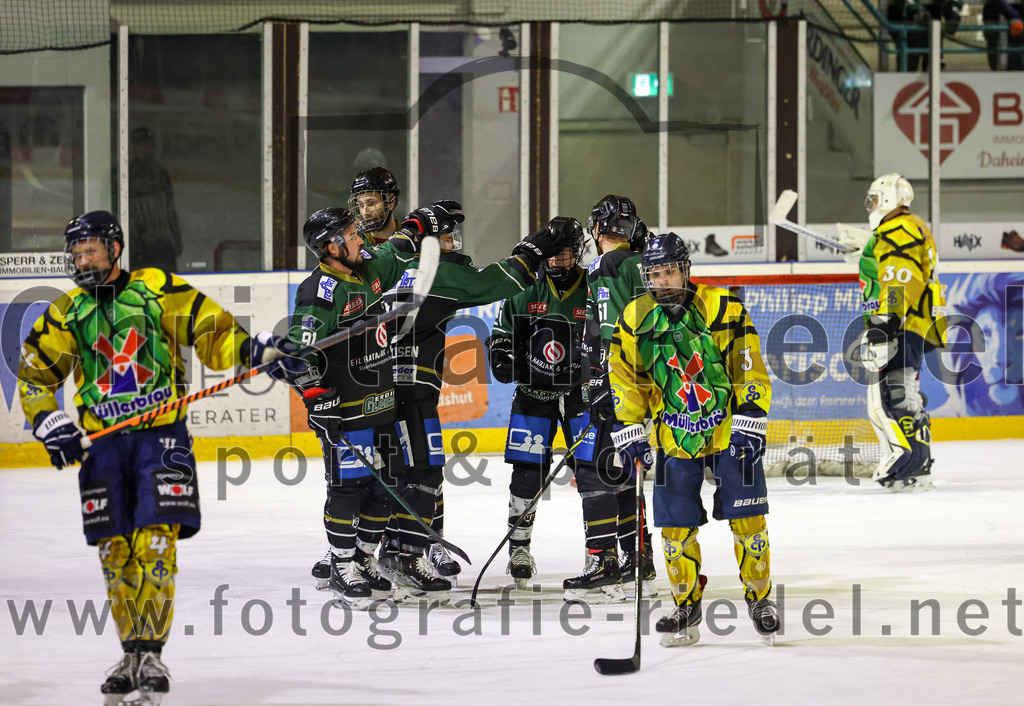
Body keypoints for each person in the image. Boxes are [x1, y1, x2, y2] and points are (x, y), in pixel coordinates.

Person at [16, 211, 303, 705]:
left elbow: (213, 331)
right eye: (76, 252)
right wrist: (48, 421)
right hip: (104, 447)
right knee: (114, 553)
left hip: (161, 441)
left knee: (154, 544)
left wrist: (255, 351)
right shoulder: (66, 312)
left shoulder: (156, 289)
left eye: (91, 250)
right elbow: (35, 374)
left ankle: (151, 652)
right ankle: (130, 652)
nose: (82, 260)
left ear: (115, 249)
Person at [608, 232, 779, 646]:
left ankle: (760, 600)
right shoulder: (635, 317)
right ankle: (686, 605)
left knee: (749, 522)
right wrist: (629, 427)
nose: (661, 281)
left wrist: (752, 414)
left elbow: (746, 361)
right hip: (674, 434)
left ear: (685, 270)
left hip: (728, 429)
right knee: (674, 529)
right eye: (654, 275)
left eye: (668, 272)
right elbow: (626, 376)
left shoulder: (721, 306)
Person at [289, 201, 460, 606]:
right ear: (331, 247)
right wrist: (315, 398)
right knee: (348, 490)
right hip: (348, 413)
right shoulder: (320, 292)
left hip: (381, 405)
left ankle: (365, 559)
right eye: (351, 236)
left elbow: (393, 250)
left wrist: (416, 226)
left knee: (390, 485)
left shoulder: (367, 269)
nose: (360, 240)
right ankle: (341, 564)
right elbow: (298, 354)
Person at [384, 219, 569, 588]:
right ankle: (399, 553)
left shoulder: (393, 268)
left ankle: (390, 550)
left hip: (385, 389)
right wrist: (529, 253)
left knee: (405, 471)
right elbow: (495, 283)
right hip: (407, 391)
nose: (455, 245)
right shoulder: (438, 273)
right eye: (446, 237)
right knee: (421, 470)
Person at [486, 217, 589, 590]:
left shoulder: (593, 288)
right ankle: (519, 548)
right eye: (552, 254)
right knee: (527, 474)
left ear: (578, 253)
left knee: (593, 473)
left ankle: (601, 552)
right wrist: (501, 354)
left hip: (581, 396)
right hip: (534, 394)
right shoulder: (525, 286)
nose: (558, 261)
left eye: (565, 254)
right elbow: (503, 332)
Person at [565, 195, 657, 604]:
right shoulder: (645, 264)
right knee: (622, 474)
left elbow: (612, 328)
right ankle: (639, 561)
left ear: (599, 228)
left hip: (615, 385)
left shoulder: (606, 266)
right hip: (641, 386)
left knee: (594, 470)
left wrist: (606, 379)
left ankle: (602, 562)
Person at [841, 174, 947, 491]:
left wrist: (886, 322)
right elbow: (894, 267)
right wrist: (869, 250)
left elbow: (901, 278)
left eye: (875, 199)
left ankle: (909, 466)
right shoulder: (909, 226)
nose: (872, 206)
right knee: (905, 392)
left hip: (903, 321)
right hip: (917, 321)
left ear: (888, 199)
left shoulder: (897, 229)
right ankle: (919, 465)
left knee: (894, 394)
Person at [128, 127, 183, 272]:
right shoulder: (127, 174)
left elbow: (170, 207)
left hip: (161, 243)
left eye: (147, 144)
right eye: (140, 144)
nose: (144, 148)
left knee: (167, 281)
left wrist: (176, 237)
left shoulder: (161, 173)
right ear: (134, 148)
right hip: (137, 245)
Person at [348, 166, 401, 246]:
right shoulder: (352, 244)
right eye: (361, 205)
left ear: (391, 201)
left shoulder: (412, 239)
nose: (365, 212)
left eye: (371, 203)